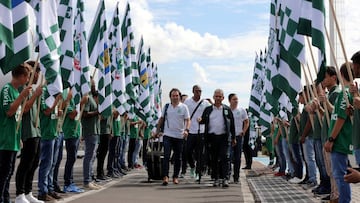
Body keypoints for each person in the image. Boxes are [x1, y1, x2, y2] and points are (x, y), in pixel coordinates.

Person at [0, 63, 32, 203]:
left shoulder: (16, 91)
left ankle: (6, 198)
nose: (28, 80)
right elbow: (9, 111)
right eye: (28, 76)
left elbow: (17, 117)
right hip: (5, 139)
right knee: (3, 173)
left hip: (13, 138)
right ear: (22, 76)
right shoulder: (8, 89)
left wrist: (18, 136)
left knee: (9, 172)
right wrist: (22, 96)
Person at [324, 62, 354, 203]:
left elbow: (341, 118)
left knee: (340, 176)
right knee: (341, 175)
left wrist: (331, 139)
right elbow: (337, 114)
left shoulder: (345, 93)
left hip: (339, 141)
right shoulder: (346, 93)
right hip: (340, 140)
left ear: (341, 75)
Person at [14, 62, 43, 203]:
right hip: (27, 131)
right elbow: (24, 110)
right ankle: (19, 193)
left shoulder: (31, 89)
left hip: (36, 130)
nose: (37, 75)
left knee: (34, 162)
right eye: (35, 72)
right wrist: (35, 96)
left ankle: (28, 191)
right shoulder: (23, 90)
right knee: (26, 162)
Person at [199, 89, 235, 187]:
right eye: (216, 96)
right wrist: (200, 120)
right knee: (213, 159)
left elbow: (232, 125)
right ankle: (215, 178)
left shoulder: (227, 110)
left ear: (223, 98)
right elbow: (203, 120)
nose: (218, 98)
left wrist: (233, 138)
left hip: (224, 137)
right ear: (213, 97)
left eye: (220, 97)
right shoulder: (208, 109)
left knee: (224, 157)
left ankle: (225, 178)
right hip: (212, 137)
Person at [155, 88, 190, 185]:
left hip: (179, 136)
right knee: (166, 156)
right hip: (168, 135)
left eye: (177, 96)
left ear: (179, 97)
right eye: (173, 96)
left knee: (178, 158)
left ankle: (175, 176)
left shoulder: (184, 107)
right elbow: (161, 119)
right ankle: (165, 176)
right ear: (170, 97)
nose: (175, 97)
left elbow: (188, 120)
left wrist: (186, 130)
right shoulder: (166, 107)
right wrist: (157, 131)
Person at [183, 85, 211, 179]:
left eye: (200, 91)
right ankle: (192, 166)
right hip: (190, 131)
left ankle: (198, 173)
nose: (198, 93)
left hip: (201, 131)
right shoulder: (187, 102)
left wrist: (203, 119)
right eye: (196, 91)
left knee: (200, 153)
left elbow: (211, 112)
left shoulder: (205, 103)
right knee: (187, 151)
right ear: (193, 91)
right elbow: (184, 116)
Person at [62, 89, 84, 193]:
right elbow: (71, 115)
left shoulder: (75, 97)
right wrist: (81, 103)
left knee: (73, 159)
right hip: (70, 132)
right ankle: (67, 183)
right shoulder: (68, 96)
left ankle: (70, 182)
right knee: (70, 159)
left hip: (76, 132)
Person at [81, 80, 102, 190]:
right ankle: (86, 180)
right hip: (90, 130)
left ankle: (90, 179)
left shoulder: (91, 98)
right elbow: (84, 114)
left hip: (95, 130)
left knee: (93, 156)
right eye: (92, 83)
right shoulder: (87, 98)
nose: (94, 85)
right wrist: (97, 112)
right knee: (89, 156)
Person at [228, 93, 249, 183]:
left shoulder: (242, 110)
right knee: (228, 156)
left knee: (237, 158)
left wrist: (243, 131)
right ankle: (227, 175)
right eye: (234, 99)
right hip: (228, 137)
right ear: (229, 101)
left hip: (238, 136)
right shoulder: (226, 110)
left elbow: (247, 121)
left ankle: (236, 177)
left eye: (237, 99)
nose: (236, 101)